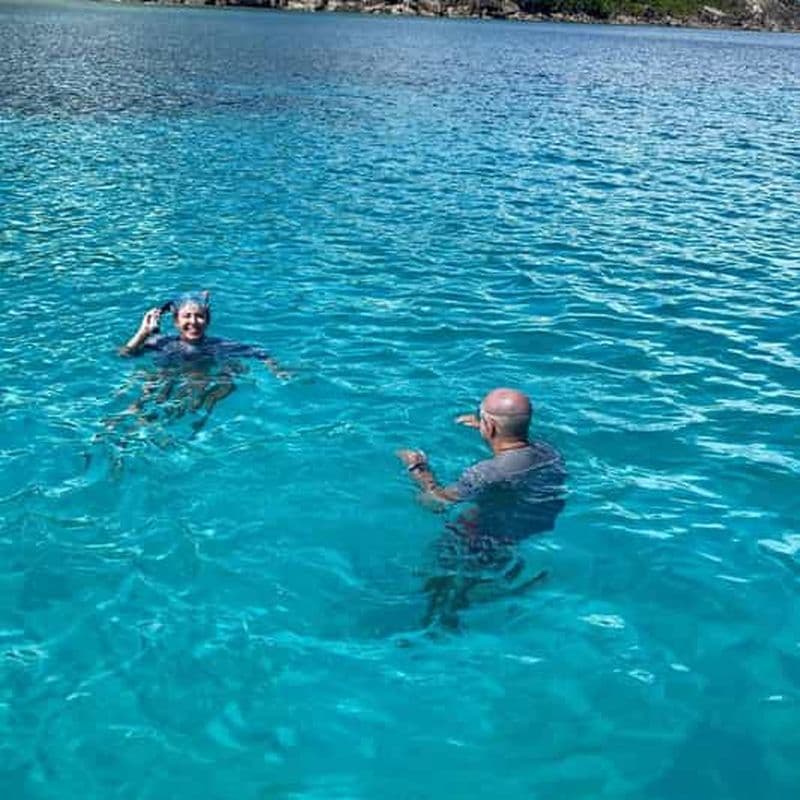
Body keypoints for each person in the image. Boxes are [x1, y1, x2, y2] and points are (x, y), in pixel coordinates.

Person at [397, 387, 566, 628]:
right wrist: (486, 425)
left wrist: (418, 469)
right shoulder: (550, 453)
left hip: (480, 541)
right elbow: (517, 444)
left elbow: (436, 503)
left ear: (491, 427)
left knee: (440, 594)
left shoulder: (486, 472)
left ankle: (430, 632)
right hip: (523, 531)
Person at [115, 291, 289, 433]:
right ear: (176, 322)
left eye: (199, 316)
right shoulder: (160, 342)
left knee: (221, 383)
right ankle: (130, 424)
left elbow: (260, 353)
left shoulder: (219, 345)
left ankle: (176, 431)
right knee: (151, 390)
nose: (193, 322)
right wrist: (142, 333)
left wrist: (277, 369)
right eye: (187, 316)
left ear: (207, 321)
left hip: (197, 381)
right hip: (165, 378)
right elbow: (124, 354)